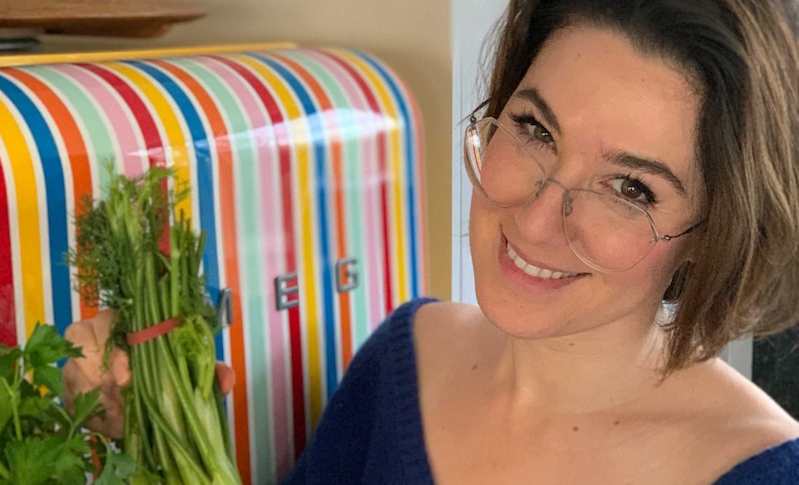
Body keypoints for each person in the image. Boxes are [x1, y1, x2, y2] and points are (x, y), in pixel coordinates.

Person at [63, 0, 799, 482]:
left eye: (630, 188)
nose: (539, 220)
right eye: (535, 130)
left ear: (715, 234)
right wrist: (136, 434)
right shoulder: (402, 360)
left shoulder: (763, 468)